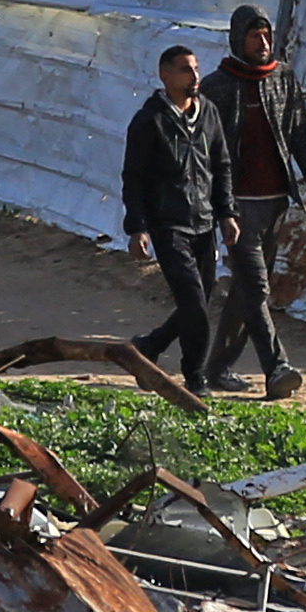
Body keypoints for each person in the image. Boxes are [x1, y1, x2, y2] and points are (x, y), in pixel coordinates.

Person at [201, 2, 306, 397]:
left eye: (267, 35)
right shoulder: (216, 86)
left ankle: (216, 368)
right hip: (236, 206)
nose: (264, 43)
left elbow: (301, 132)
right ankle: (276, 365)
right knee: (256, 288)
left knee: (247, 289)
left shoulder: (281, 78)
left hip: (275, 203)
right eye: (255, 36)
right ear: (238, 39)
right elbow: (203, 150)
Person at [119, 41, 234, 387]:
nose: (194, 75)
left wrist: (227, 213)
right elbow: (133, 177)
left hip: (204, 222)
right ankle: (195, 375)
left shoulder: (208, 113)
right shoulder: (149, 120)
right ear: (165, 76)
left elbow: (222, 165)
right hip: (169, 224)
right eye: (185, 69)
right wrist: (137, 227)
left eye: (196, 68)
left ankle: (149, 346)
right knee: (193, 301)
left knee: (199, 300)